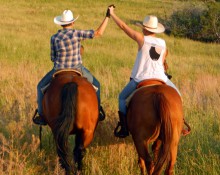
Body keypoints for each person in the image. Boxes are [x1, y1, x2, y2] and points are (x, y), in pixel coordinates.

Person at [108, 6, 189, 138]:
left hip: (141, 78)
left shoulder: (142, 39)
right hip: (161, 77)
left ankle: (124, 127)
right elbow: (162, 62)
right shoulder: (162, 43)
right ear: (155, 30)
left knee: (121, 98)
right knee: (178, 96)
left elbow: (123, 26)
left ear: (144, 28)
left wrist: (112, 14)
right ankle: (179, 124)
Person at [33, 9, 110, 125]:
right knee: (97, 85)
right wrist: (107, 16)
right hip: (77, 69)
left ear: (61, 24)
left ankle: (41, 115)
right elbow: (99, 33)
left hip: (58, 69)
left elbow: (53, 58)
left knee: (40, 87)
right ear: (73, 23)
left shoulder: (54, 38)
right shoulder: (77, 33)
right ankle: (97, 111)